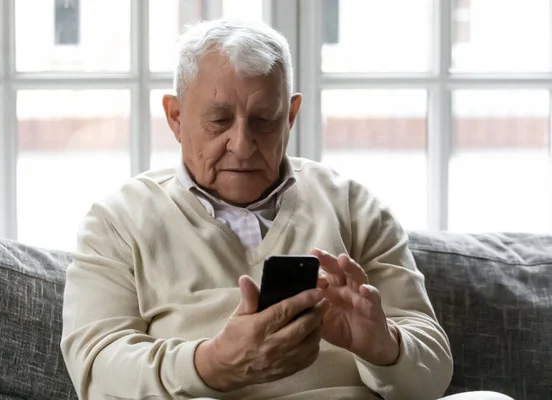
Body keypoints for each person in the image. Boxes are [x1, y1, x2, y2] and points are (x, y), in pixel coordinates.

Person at [61, 19, 513, 400]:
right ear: (176, 117)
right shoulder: (118, 221)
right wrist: (211, 364)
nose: (241, 144)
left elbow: (433, 372)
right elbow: (95, 368)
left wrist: (383, 345)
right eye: (219, 120)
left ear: (291, 116)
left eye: (265, 120)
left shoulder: (352, 205)